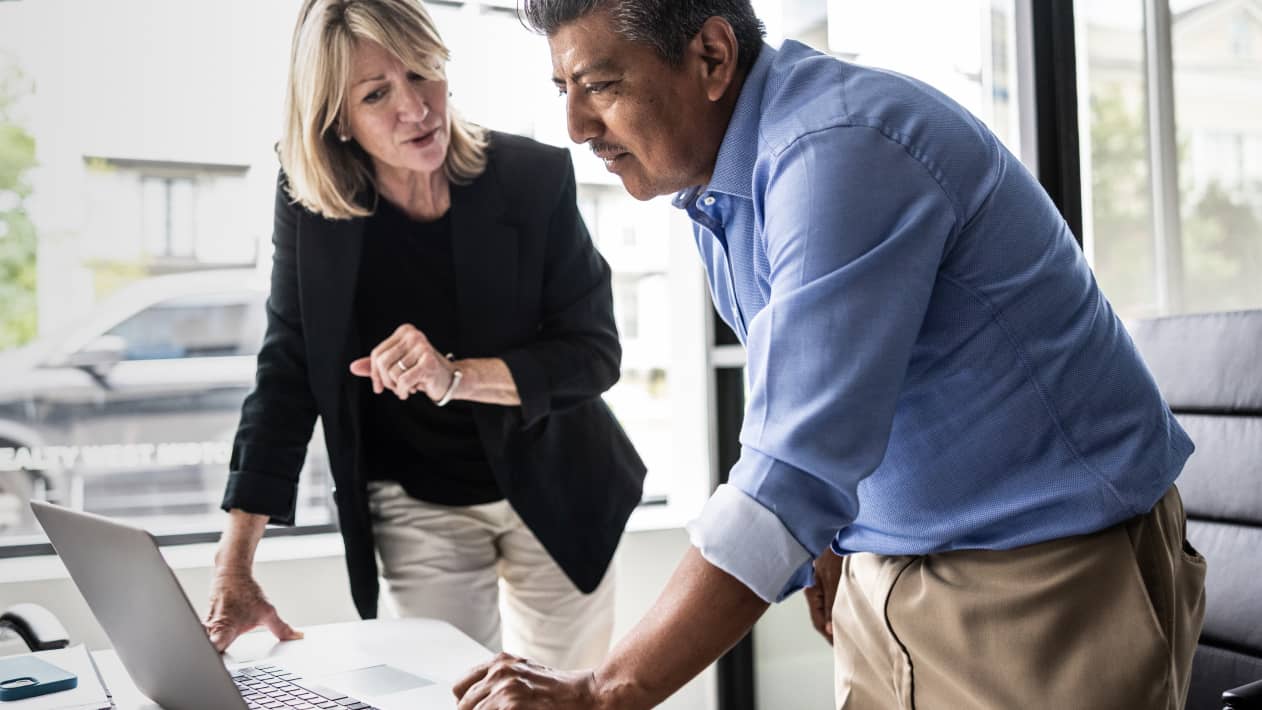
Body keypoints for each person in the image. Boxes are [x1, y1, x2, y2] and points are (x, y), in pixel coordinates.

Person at [453, 1, 1206, 708]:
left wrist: (605, 689)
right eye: (563, 89)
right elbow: (816, 407)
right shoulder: (725, 187)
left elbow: (795, 467)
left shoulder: (835, 152)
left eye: (600, 85)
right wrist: (825, 543)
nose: (577, 125)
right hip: (883, 572)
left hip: (1040, 578)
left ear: (712, 58)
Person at [203, 0, 645, 672]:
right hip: (417, 502)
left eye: (422, 73)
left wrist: (455, 375)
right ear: (337, 119)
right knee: (450, 690)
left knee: (570, 693)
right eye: (377, 94)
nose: (417, 108)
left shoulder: (531, 177)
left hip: (559, 481)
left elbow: (594, 353)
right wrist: (235, 564)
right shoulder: (309, 204)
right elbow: (288, 372)